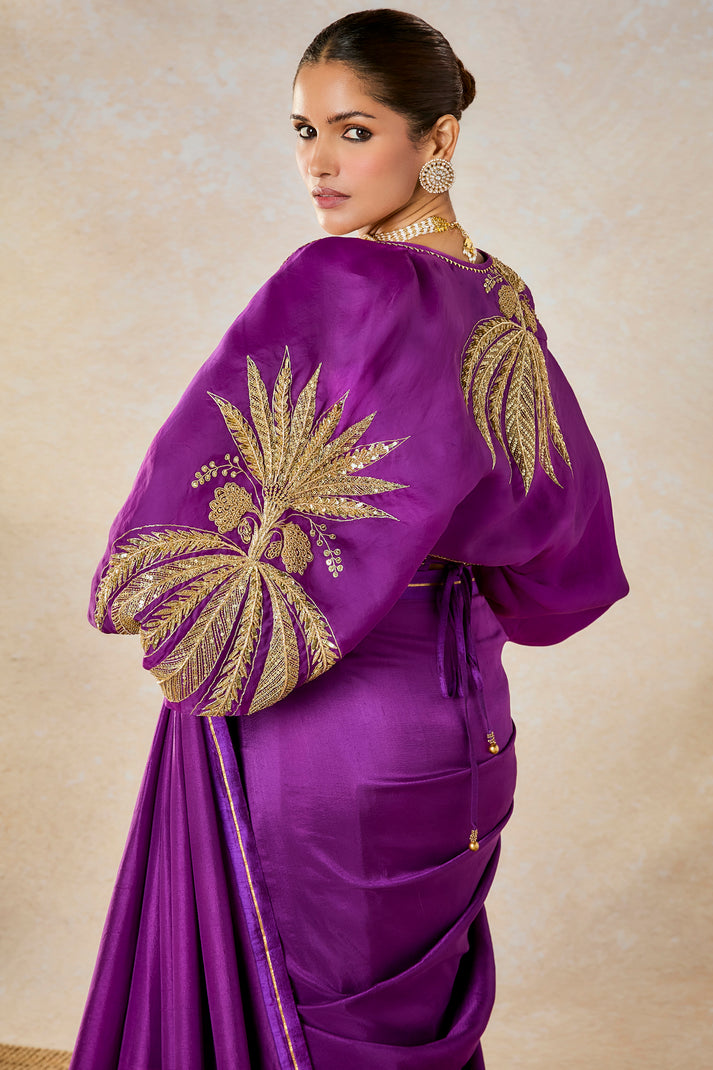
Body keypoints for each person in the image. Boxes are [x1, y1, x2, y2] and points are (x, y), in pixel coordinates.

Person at [70, 9, 628, 1069]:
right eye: (303, 131)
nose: (318, 164)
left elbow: (184, 511)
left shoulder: (337, 280)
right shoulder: (501, 299)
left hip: (331, 730)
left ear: (438, 137)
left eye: (354, 131)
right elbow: (560, 542)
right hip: (460, 729)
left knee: (300, 1026)